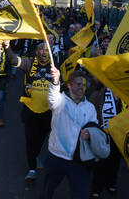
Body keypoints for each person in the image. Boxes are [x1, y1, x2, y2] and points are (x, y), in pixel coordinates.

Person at [42, 66, 100, 199]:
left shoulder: (90, 107)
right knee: (48, 190)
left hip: (79, 160)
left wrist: (90, 133)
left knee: (80, 194)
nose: (82, 88)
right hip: (57, 157)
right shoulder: (60, 101)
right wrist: (55, 82)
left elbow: (94, 126)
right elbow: (52, 99)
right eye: (78, 84)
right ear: (69, 86)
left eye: (84, 85)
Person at [6, 41, 53, 181]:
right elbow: (14, 60)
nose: (43, 52)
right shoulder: (29, 63)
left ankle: (34, 155)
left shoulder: (55, 65)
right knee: (30, 139)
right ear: (36, 52)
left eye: (46, 50)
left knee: (42, 138)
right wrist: (7, 46)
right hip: (30, 110)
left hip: (48, 112)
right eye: (40, 49)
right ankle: (32, 168)